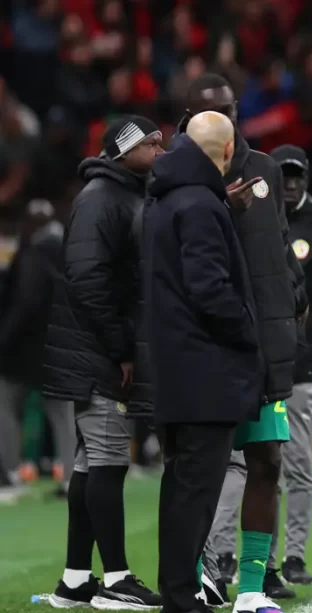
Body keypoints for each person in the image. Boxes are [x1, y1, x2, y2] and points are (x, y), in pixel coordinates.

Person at [181, 74, 307, 611]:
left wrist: (293, 305)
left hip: (261, 347)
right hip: (203, 347)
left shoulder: (263, 170)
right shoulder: (174, 180)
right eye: (213, 112)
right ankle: (195, 575)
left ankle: (251, 588)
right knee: (199, 470)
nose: (225, 120)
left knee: (267, 462)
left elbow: (279, 247)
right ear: (188, 120)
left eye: (230, 109)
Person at [41, 115, 164, 610]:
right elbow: (88, 280)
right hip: (98, 353)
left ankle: (75, 579)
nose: (160, 149)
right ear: (123, 150)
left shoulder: (119, 194)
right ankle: (115, 579)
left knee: (91, 465)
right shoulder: (103, 198)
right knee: (109, 463)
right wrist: (120, 349)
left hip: (93, 348)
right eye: (151, 143)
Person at [145, 111, 262, 613]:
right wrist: (245, 331)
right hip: (204, 372)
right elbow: (209, 288)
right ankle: (180, 596)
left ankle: (178, 590)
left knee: (181, 490)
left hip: (177, 367)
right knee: (195, 491)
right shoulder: (198, 204)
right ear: (229, 149)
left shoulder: (171, 197)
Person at [260, 144, 312, 588]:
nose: (289, 185)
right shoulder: (254, 217)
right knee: (256, 466)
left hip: (299, 363)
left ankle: (293, 556)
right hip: (254, 365)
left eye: (296, 176)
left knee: (296, 465)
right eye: (283, 177)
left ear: (307, 178)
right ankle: (251, 557)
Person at [0, 199, 73, 498]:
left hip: (25, 349)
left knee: (3, 406)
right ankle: (71, 478)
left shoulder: (32, 254)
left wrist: (5, 338)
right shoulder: (68, 250)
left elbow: (27, 302)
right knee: (62, 414)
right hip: (62, 343)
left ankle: (10, 473)